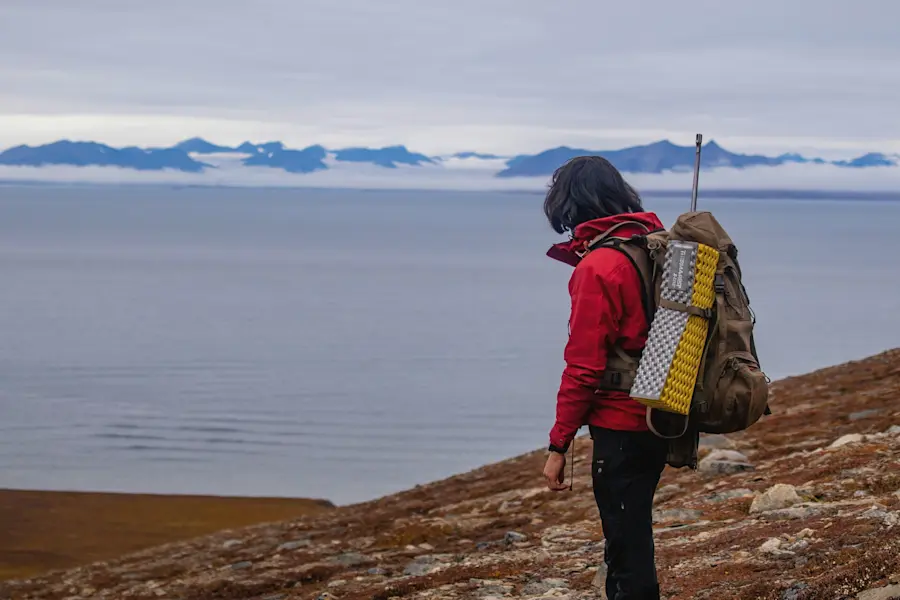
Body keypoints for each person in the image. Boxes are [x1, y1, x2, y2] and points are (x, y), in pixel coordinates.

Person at [541, 155, 668, 600]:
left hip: (622, 423)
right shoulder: (655, 244)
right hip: (664, 410)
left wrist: (559, 444)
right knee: (632, 534)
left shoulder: (599, 267)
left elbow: (584, 368)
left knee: (626, 546)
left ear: (570, 205)